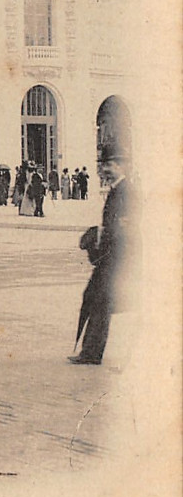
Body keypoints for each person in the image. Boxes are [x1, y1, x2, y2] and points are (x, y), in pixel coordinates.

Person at [69, 146, 139, 365]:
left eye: (109, 165)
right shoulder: (118, 190)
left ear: (121, 166)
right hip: (110, 258)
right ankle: (91, 351)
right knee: (97, 300)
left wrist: (103, 242)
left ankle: (92, 353)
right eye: (103, 165)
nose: (104, 170)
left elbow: (126, 229)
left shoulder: (126, 192)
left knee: (100, 301)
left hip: (116, 259)